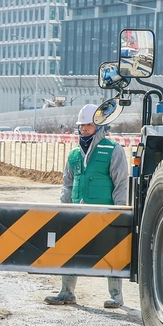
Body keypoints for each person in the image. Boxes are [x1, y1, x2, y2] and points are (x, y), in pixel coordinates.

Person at [44, 104, 128, 308]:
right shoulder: (74, 154)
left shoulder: (113, 150)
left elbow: (121, 183)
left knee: (110, 252)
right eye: (82, 125)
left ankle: (116, 296)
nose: (84, 129)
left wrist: (119, 210)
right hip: (76, 211)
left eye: (88, 125)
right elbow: (68, 183)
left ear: (98, 126)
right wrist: (63, 207)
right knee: (69, 249)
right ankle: (66, 292)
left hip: (104, 212)